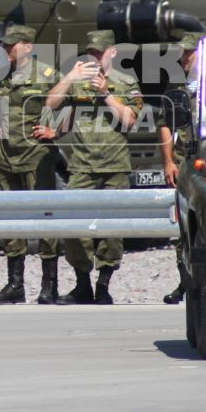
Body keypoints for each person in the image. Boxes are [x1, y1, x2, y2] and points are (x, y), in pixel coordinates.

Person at [45, 29, 142, 304]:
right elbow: (51, 104)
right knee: (74, 226)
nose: (95, 57)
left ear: (112, 52)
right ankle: (82, 284)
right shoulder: (77, 82)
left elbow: (130, 121)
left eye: (100, 52)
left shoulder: (125, 82)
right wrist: (69, 78)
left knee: (112, 230)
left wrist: (106, 94)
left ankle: (103, 285)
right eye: (91, 52)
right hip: (82, 166)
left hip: (114, 165)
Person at [0, 24, 62, 304]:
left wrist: (55, 130)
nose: (6, 49)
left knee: (44, 220)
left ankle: (48, 286)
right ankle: (15, 284)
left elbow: (70, 104)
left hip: (35, 158)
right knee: (9, 221)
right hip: (6, 157)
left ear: (28, 46)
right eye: (4, 45)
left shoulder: (47, 75)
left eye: (11, 45)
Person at [160, 38, 200, 306]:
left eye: (190, 52)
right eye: (182, 53)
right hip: (182, 160)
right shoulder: (176, 86)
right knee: (181, 226)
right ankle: (185, 282)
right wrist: (167, 162)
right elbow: (165, 124)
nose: (185, 57)